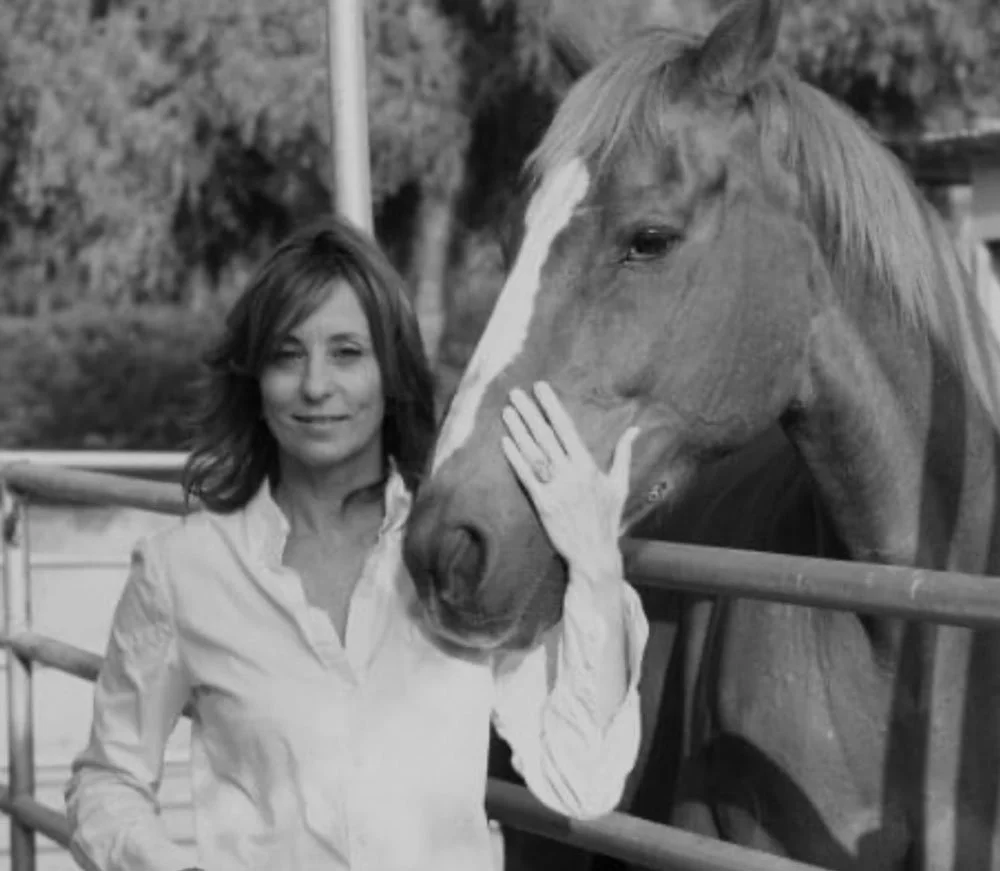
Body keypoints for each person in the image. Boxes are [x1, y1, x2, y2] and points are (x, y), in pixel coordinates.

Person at [64, 215, 650, 871]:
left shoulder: (456, 554)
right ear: (254, 382)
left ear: (390, 374)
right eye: (287, 355)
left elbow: (582, 782)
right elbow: (107, 781)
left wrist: (595, 560)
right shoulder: (182, 569)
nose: (316, 385)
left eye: (346, 352)